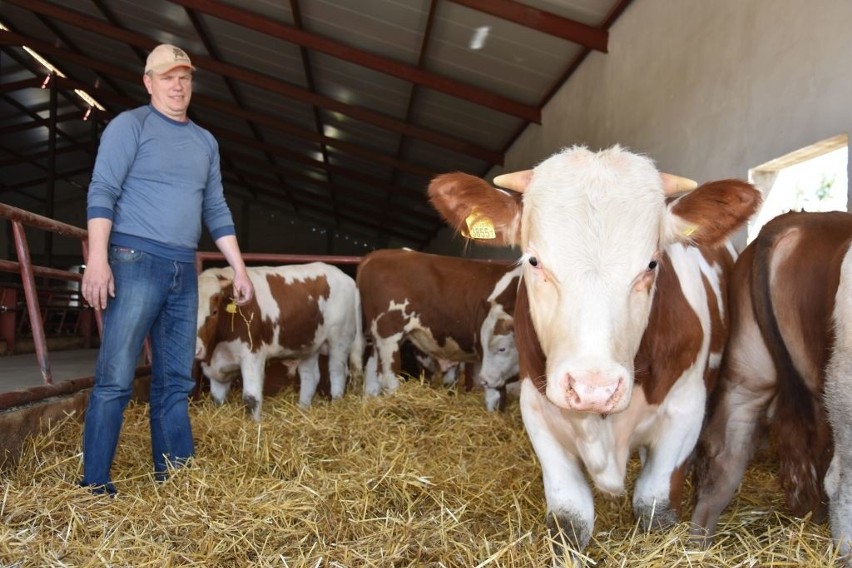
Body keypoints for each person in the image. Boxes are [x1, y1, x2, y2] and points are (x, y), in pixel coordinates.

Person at [80, 44, 254, 494]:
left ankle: (174, 484)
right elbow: (102, 190)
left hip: (182, 268)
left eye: (185, 77)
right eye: (167, 77)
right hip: (134, 262)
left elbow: (215, 209)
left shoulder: (205, 142)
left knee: (176, 379)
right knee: (116, 378)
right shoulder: (129, 126)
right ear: (149, 81)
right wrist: (97, 260)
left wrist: (239, 268)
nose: (177, 85)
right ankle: (94, 484)